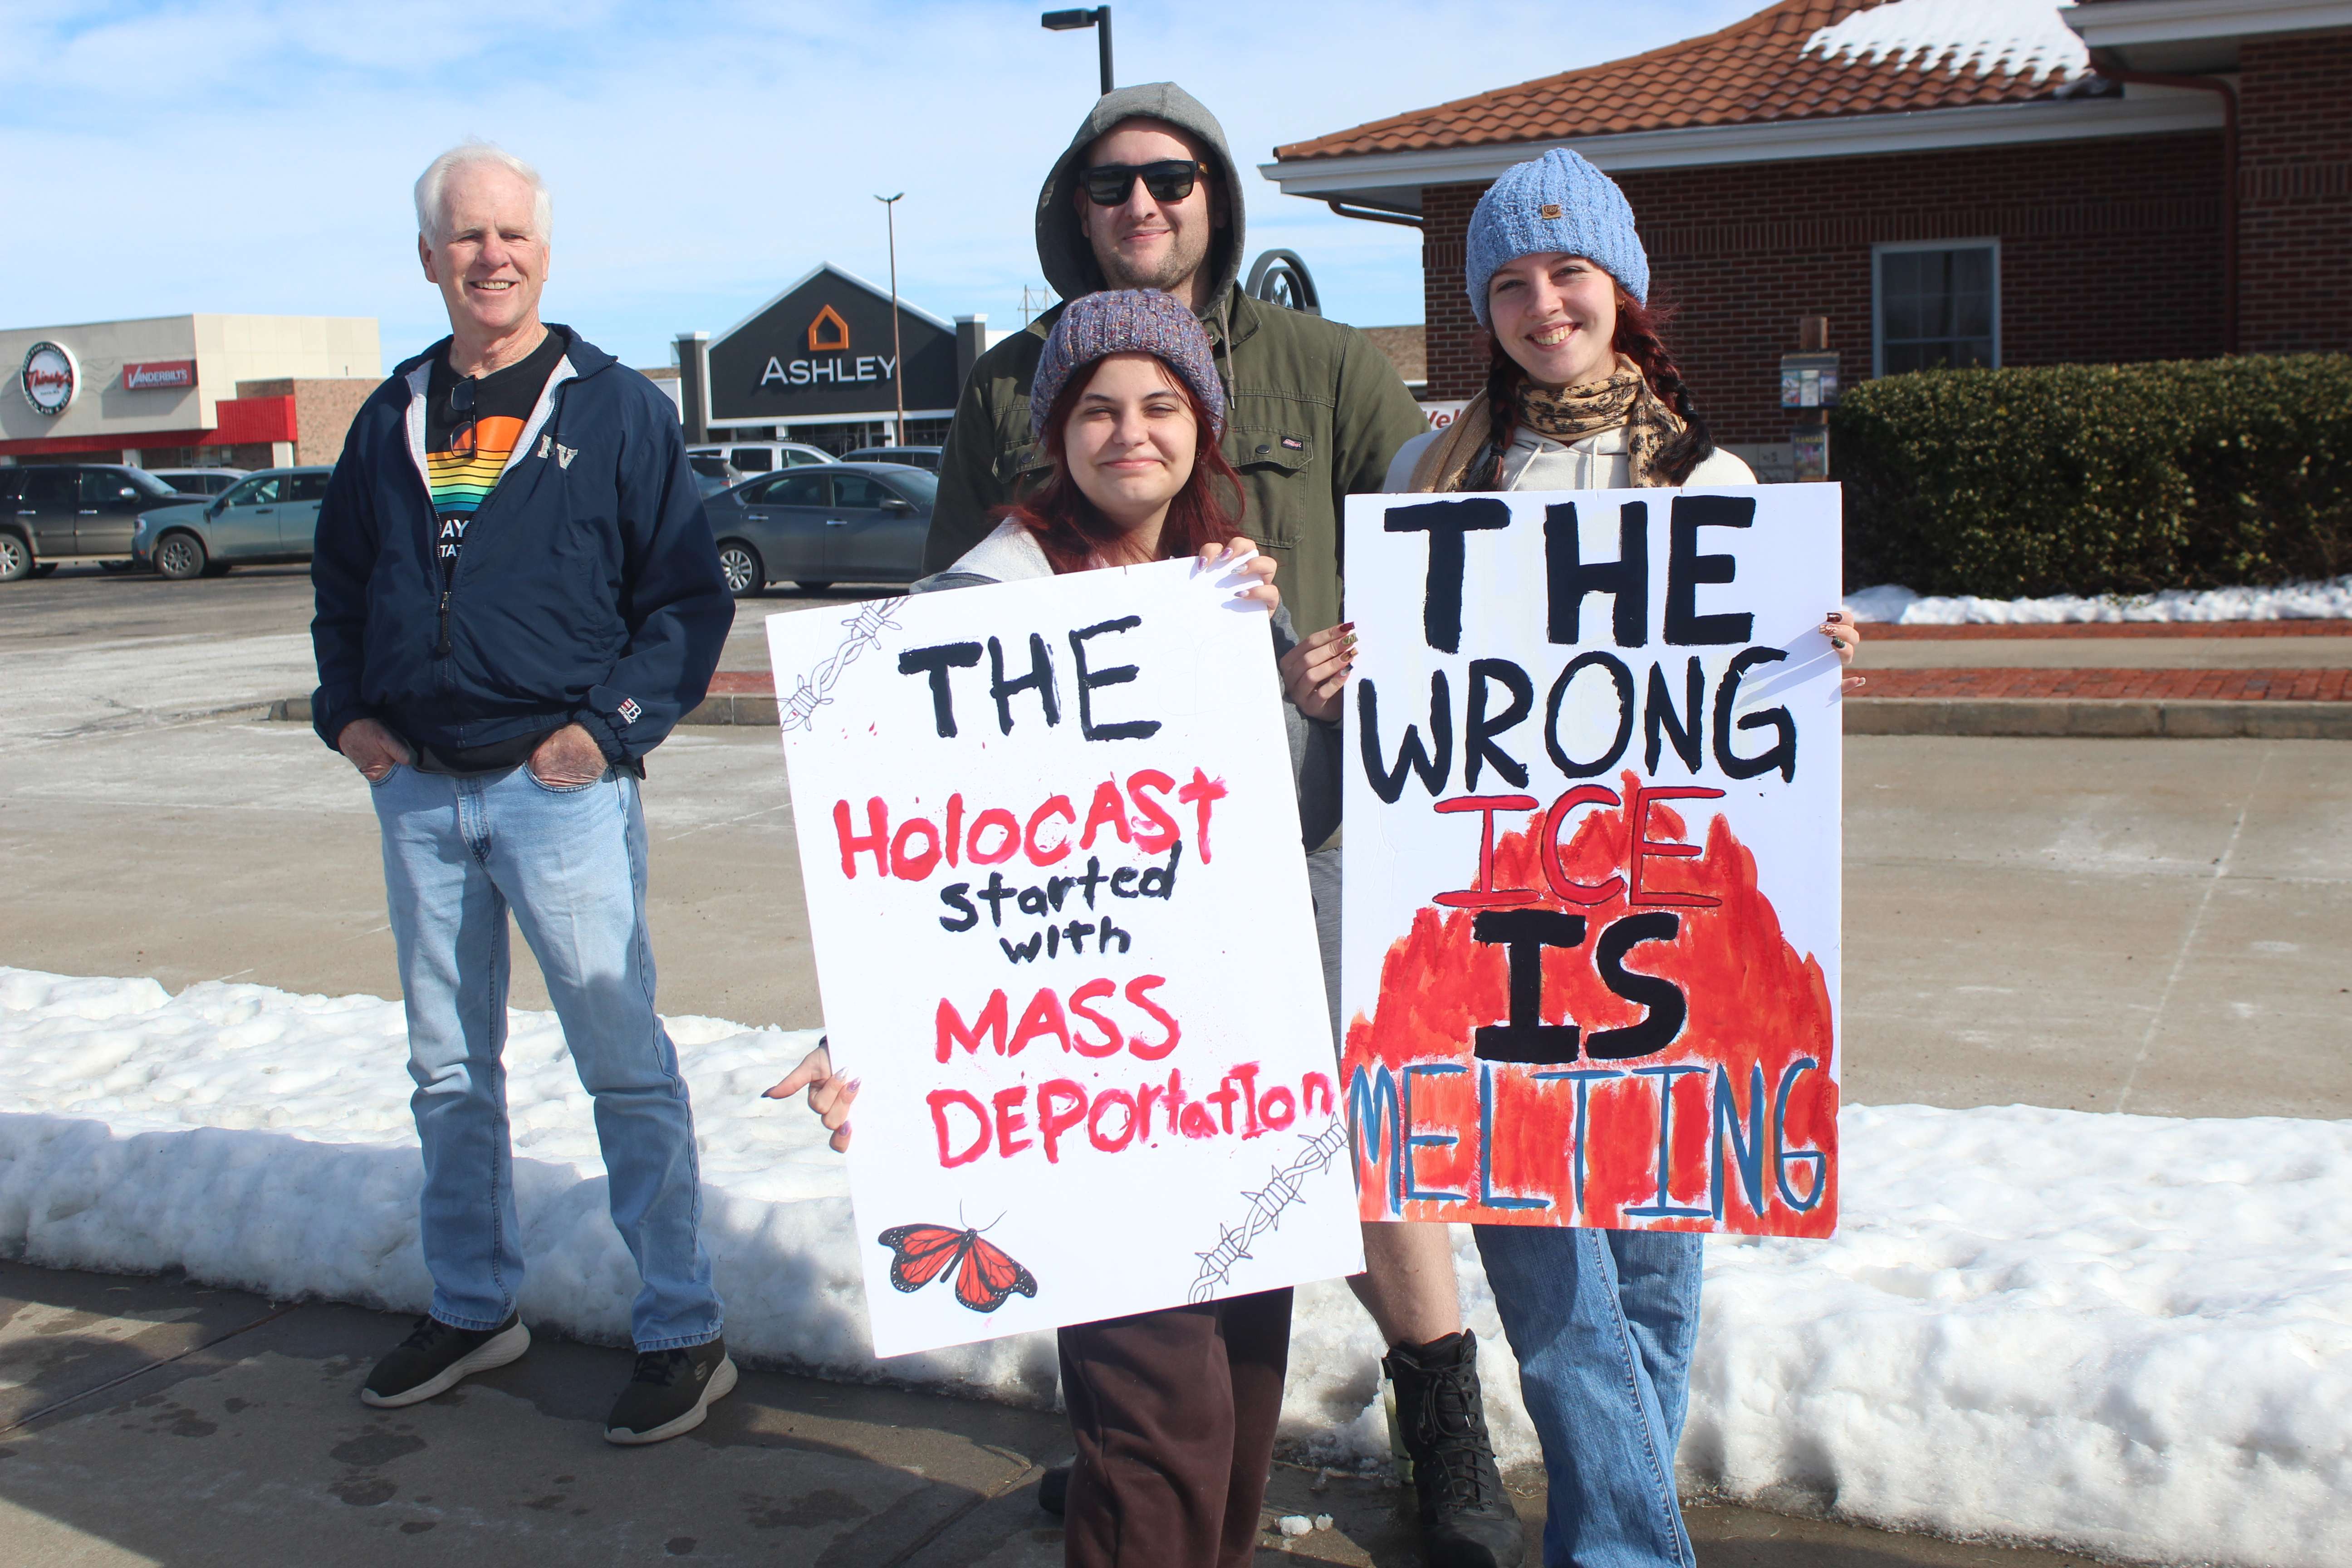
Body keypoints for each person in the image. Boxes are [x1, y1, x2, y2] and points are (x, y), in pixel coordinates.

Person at [929, 83, 1524, 1568]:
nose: (1144, 203)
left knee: (1350, 1168)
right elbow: (940, 660)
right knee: (1128, 1219)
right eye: (1113, 182)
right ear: (1077, 205)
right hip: (1093, 886)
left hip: (1311, 832)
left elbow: (1456, 519)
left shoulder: (1322, 364)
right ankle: (1142, 1473)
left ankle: (1432, 1422)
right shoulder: (1008, 380)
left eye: (1174, 177)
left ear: (1215, 197)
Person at [1294, 147, 1863, 1567]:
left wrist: (1815, 650)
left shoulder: (1710, 474)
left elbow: (1739, 696)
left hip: (1667, 926)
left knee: (1657, 1268)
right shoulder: (1434, 469)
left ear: (1623, 289)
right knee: (1542, 1257)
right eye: (1509, 282)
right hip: (1488, 932)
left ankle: (1612, 1533)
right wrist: (1333, 677)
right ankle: (1622, 1548)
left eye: (1568, 272)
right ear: (1482, 307)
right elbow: (1406, 690)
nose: (1544, 303)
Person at [772, 291, 1326, 1568]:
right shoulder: (981, 602)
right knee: (1158, 1421)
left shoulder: (1222, 591)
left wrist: (1300, 692)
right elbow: (923, 855)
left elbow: (1282, 825)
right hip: (1076, 1087)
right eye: (1098, 410)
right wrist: (855, 1026)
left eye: (1160, 407)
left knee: (1240, 1400)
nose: (1129, 434)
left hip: (1222, 1065)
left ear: (1203, 428)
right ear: (1057, 434)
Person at [310, 141, 738, 1446]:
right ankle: (474, 1302)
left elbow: (687, 597)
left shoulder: (614, 409)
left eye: (512, 236)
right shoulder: (393, 413)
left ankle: (683, 1328)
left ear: (544, 252)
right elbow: (338, 587)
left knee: (623, 1065)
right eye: (465, 237)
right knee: (448, 1070)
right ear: (429, 258)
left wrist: (604, 734)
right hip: (422, 798)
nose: (490, 257)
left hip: (558, 796)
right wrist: (350, 718)